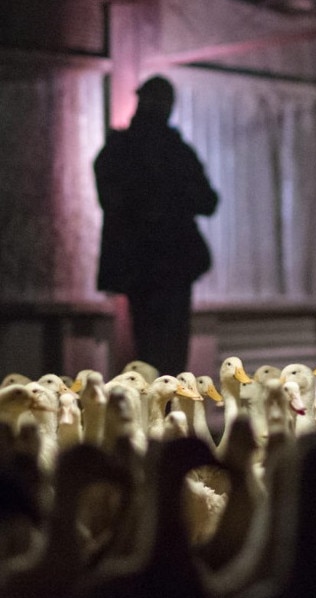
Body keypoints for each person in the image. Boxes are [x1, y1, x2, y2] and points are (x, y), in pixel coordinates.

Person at [94, 75, 219, 376]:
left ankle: (156, 414)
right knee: (170, 350)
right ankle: (165, 414)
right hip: (171, 265)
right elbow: (207, 201)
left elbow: (111, 198)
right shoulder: (174, 152)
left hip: (140, 267)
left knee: (149, 346)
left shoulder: (120, 150)